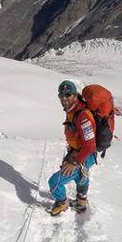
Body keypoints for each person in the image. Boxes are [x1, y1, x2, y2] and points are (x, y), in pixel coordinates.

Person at [48, 80, 97, 216]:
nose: (64, 98)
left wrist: (74, 162)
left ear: (75, 95)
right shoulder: (72, 111)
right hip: (79, 152)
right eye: (61, 95)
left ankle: (62, 202)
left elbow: (90, 145)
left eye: (68, 94)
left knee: (54, 181)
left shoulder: (83, 116)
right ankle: (81, 200)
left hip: (85, 154)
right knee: (80, 174)